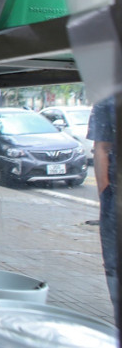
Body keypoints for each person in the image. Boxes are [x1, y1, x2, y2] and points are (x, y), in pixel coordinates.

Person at [88, 95, 118, 325]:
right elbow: (102, 148)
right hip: (116, 201)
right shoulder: (108, 100)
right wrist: (107, 195)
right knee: (115, 270)